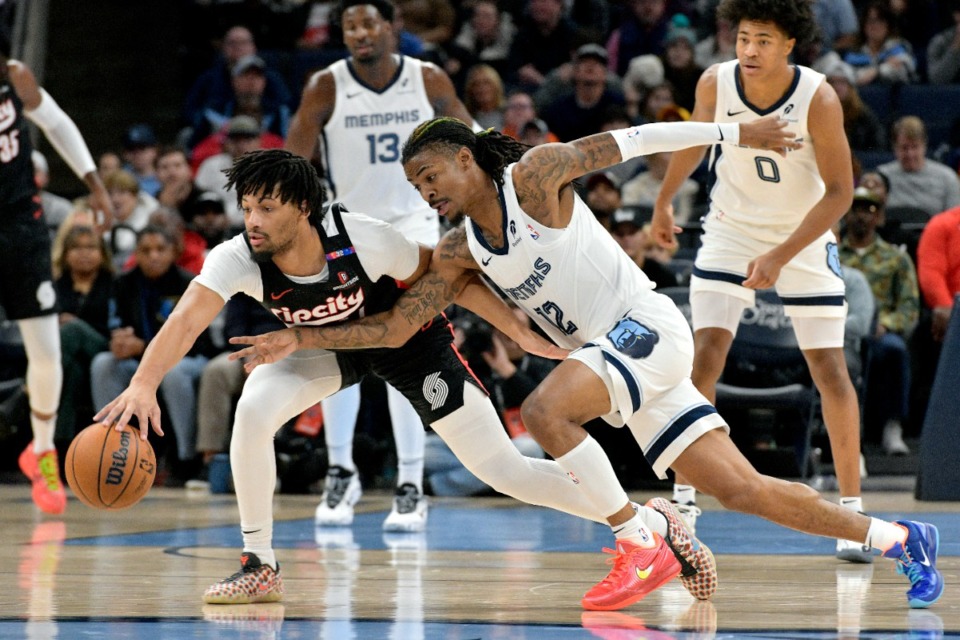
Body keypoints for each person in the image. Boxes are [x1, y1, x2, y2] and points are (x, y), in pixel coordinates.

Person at [231, 117, 943, 611]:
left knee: (544, 410)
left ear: (468, 158)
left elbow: (635, 141)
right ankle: (901, 538)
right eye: (415, 186)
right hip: (620, 356)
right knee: (744, 491)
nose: (427, 191)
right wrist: (301, 341)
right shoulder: (457, 251)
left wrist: (736, 133)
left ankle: (638, 540)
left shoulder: (535, 177)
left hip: (645, 327)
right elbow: (393, 328)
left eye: (431, 174)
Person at [94, 149, 709, 608]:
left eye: (267, 207)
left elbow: (454, 277)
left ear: (303, 208)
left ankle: (648, 523)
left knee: (504, 471)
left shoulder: (361, 238)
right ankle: (261, 563)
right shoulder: (237, 255)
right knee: (253, 409)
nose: (252, 219)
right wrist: (145, 382)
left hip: (409, 341)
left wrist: (519, 333)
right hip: (326, 348)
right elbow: (184, 320)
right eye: (247, 207)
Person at [651, 0, 870, 563]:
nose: (749, 50)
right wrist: (664, 198)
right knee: (704, 358)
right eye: (744, 37)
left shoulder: (818, 97)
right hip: (730, 230)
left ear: (790, 44)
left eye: (764, 40)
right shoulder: (714, 82)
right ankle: (684, 499)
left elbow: (842, 193)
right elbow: (693, 143)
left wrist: (782, 253)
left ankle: (852, 510)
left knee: (829, 368)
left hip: (803, 236)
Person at [283, 0, 481, 533]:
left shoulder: (428, 79)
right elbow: (292, 164)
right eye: (349, 26)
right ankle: (340, 471)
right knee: (337, 346)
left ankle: (410, 482)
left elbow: (474, 143)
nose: (360, 34)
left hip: (414, 227)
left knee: (405, 349)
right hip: (348, 231)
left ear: (392, 27)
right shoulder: (326, 85)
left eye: (369, 23)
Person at [1, 44, 113, 515]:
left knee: (46, 351)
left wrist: (95, 184)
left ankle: (42, 448)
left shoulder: (14, 76)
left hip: (22, 227)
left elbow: (58, 123)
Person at [91, 225, 215, 484]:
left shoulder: (189, 284)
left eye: (160, 249)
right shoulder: (123, 283)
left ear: (173, 252)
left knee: (173, 374)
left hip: (189, 359)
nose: (154, 256)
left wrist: (143, 346)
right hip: (138, 361)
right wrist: (118, 342)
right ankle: (113, 450)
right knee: (104, 363)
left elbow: (198, 339)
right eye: (146, 250)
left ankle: (186, 460)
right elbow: (113, 324)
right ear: (136, 253)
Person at [839, 187, 920, 456]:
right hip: (839, 329)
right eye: (856, 209)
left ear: (880, 218)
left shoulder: (896, 257)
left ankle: (893, 427)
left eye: (869, 210)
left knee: (894, 350)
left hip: (879, 331)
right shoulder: (832, 256)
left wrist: (885, 323)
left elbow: (909, 305)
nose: (861, 216)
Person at [877, 116, 960, 219]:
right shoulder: (881, 177)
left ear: (924, 145)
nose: (910, 154)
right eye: (904, 147)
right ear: (894, 147)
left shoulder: (948, 177)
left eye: (915, 147)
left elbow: (954, 222)